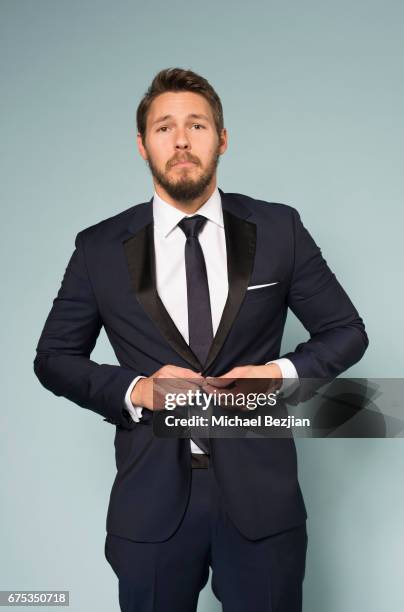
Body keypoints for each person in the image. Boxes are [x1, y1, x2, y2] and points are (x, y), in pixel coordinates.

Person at [34, 67, 369, 612]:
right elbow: (52, 359)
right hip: (151, 505)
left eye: (198, 125)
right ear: (142, 145)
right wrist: (138, 389)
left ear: (223, 139)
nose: (183, 140)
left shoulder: (279, 229)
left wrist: (277, 375)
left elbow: (346, 332)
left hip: (263, 499)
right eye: (165, 127)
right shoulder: (98, 249)